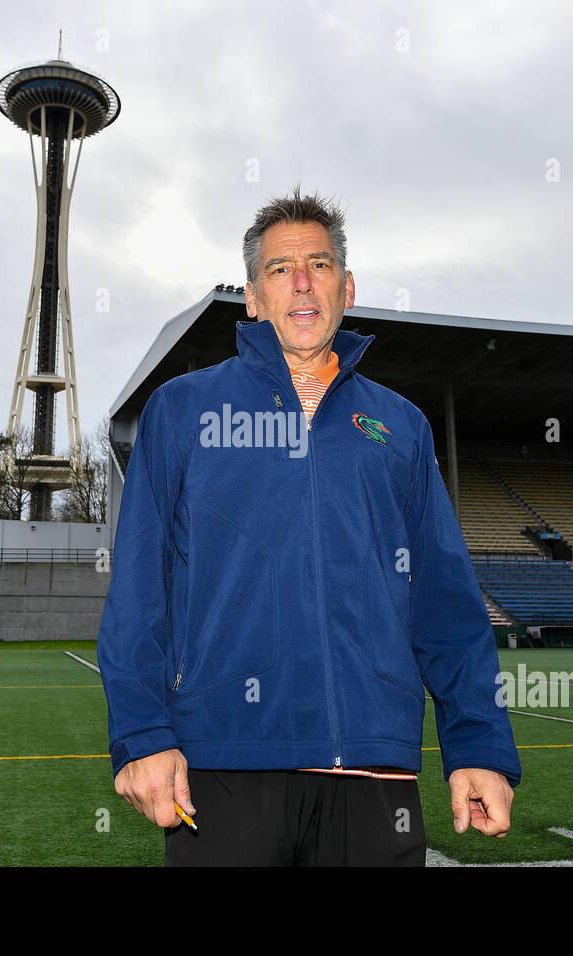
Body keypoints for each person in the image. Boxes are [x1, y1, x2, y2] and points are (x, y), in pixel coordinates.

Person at [97, 188, 520, 867]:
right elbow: (140, 592)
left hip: (374, 775)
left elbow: (445, 602)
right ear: (253, 298)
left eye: (319, 265)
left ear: (346, 287)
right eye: (279, 268)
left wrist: (476, 746)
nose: (301, 282)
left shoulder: (401, 426)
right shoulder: (182, 411)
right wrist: (143, 734)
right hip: (222, 768)